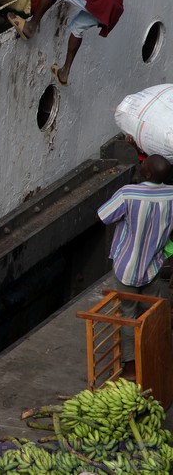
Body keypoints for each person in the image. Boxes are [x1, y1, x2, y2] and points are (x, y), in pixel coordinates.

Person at [97, 154, 173, 381]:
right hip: (153, 268)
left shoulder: (128, 193)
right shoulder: (171, 195)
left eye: (143, 164)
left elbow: (104, 216)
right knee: (151, 317)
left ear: (147, 173)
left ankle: (130, 369)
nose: (140, 164)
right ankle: (152, 362)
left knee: (127, 318)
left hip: (126, 269)